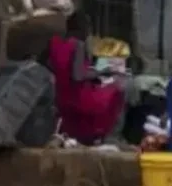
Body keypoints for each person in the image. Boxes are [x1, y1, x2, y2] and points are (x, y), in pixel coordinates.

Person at [47, 11, 126, 145]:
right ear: (82, 28)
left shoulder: (55, 43)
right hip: (79, 98)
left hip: (61, 97)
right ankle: (109, 135)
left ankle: (86, 134)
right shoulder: (78, 45)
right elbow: (78, 75)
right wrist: (103, 71)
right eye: (88, 28)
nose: (89, 33)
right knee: (119, 89)